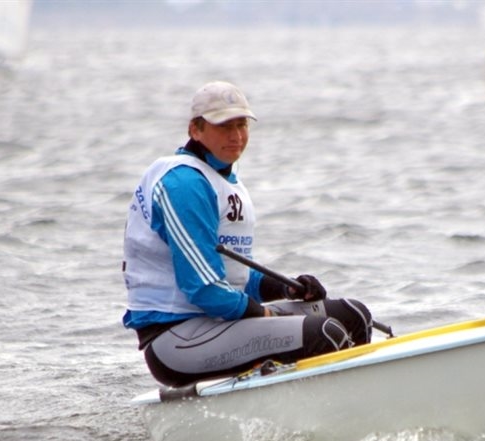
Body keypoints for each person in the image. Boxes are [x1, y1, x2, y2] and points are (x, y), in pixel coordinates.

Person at [122, 80, 373, 388]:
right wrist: (266, 315)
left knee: (352, 315)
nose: (236, 136)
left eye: (241, 125)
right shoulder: (183, 184)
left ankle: (361, 401)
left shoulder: (223, 180)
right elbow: (205, 289)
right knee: (323, 333)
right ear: (195, 130)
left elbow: (237, 278)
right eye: (224, 126)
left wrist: (287, 288)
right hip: (176, 339)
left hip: (220, 321)